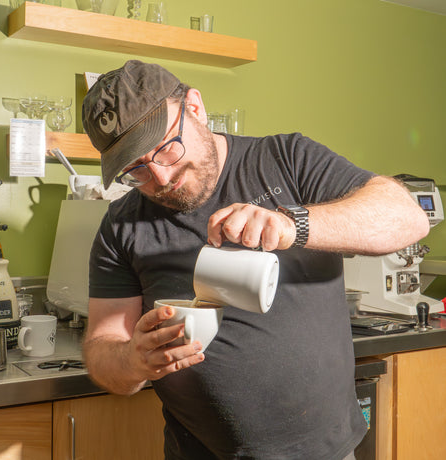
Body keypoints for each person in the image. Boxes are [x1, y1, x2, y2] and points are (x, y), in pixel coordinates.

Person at [81, 60, 429, 460]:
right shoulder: (121, 225)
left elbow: (407, 218)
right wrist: (132, 359)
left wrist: (291, 225)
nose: (159, 178)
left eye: (165, 149)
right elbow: (103, 347)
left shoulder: (287, 158)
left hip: (325, 452)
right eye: (135, 169)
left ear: (195, 107)